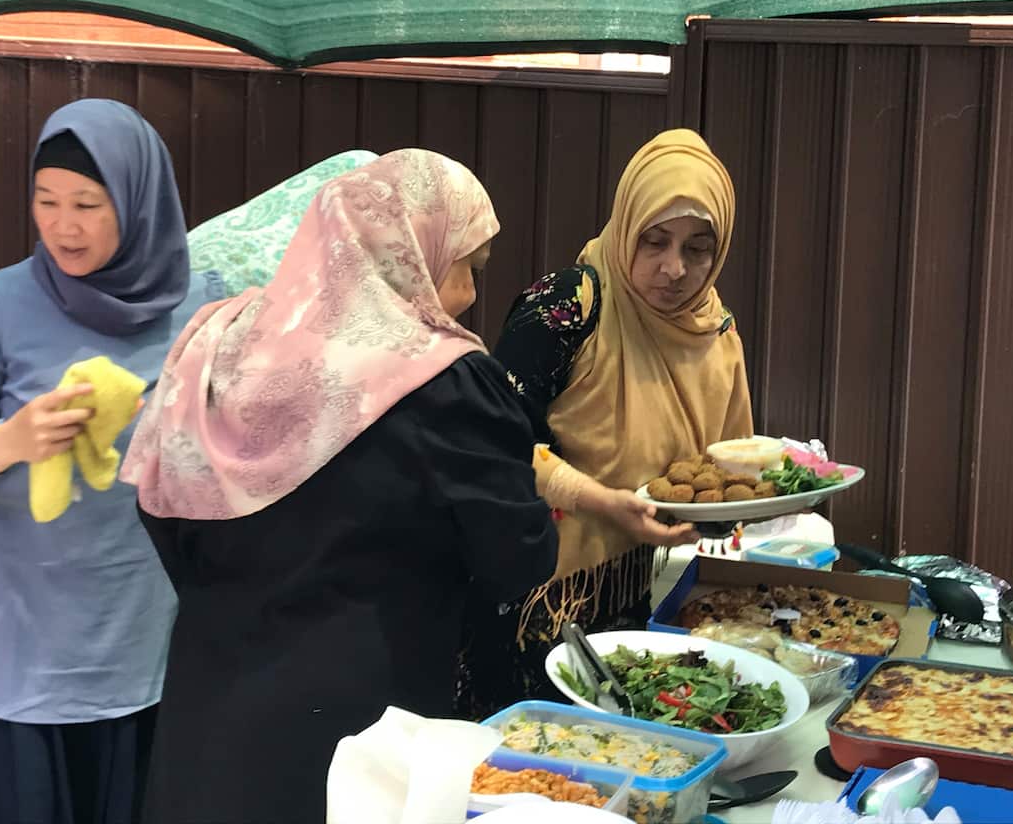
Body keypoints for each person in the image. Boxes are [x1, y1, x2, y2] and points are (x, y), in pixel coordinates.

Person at [121, 148, 561, 824]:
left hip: (211, 702)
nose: (473, 296)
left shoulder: (219, 343)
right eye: (467, 267)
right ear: (410, 255)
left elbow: (164, 504)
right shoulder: (447, 386)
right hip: (361, 725)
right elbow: (517, 557)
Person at [0, 99, 225, 824]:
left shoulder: (202, 306)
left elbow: (235, 446)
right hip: (8, 641)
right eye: (45, 201)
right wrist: (8, 440)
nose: (62, 225)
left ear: (139, 202)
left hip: (136, 629)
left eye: (87, 203)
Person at [456, 128, 753, 716]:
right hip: (532, 597)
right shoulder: (569, 306)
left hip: (628, 594)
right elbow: (491, 444)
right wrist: (600, 500)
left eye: (698, 248)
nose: (674, 269)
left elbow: (721, 471)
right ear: (625, 228)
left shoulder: (714, 331)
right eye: (654, 241)